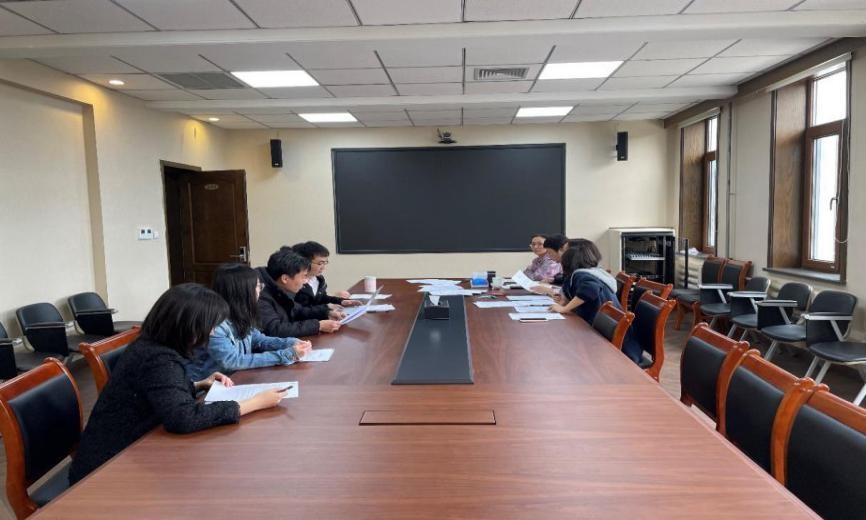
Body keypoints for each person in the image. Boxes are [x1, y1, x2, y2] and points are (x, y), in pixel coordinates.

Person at [69, 284, 287, 485]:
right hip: (108, 466)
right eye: (210, 326)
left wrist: (199, 384)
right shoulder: (158, 357)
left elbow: (157, 392)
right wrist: (255, 403)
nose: (212, 332)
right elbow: (183, 418)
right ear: (188, 324)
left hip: (133, 448)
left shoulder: (153, 345)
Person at [186, 263, 313, 382]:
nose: (260, 290)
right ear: (242, 292)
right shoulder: (215, 323)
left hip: (235, 378)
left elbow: (259, 340)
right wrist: (285, 355)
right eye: (257, 286)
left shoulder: (240, 313)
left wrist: (290, 342)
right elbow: (231, 361)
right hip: (208, 388)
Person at [549, 239, 642, 364]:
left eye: (564, 251)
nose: (561, 253)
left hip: (617, 347)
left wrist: (564, 309)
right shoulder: (584, 273)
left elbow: (590, 290)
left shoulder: (582, 275)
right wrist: (564, 301)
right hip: (603, 333)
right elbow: (572, 292)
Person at [258, 249, 342, 337]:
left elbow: (297, 310)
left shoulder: (280, 287)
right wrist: (318, 326)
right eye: (304, 276)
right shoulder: (259, 294)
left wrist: (326, 313)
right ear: (285, 279)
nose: (306, 281)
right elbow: (274, 329)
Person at [291, 241, 361, 310]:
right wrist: (326, 309)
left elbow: (322, 298)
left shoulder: (319, 279)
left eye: (325, 263)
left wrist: (341, 301)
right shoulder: (295, 284)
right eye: (320, 263)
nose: (323, 267)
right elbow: (299, 311)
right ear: (305, 262)